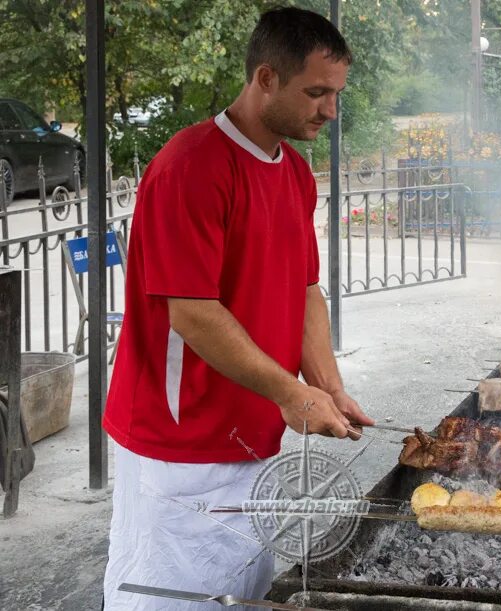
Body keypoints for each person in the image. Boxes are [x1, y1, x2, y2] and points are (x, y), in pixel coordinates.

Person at [101, 7, 373, 609]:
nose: (330, 110)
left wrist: (326, 386)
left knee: (244, 590)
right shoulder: (191, 165)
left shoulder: (296, 174)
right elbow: (193, 313)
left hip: (256, 435)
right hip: (182, 442)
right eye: (317, 92)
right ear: (267, 79)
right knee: (170, 595)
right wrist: (291, 394)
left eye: (336, 95)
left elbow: (305, 292)